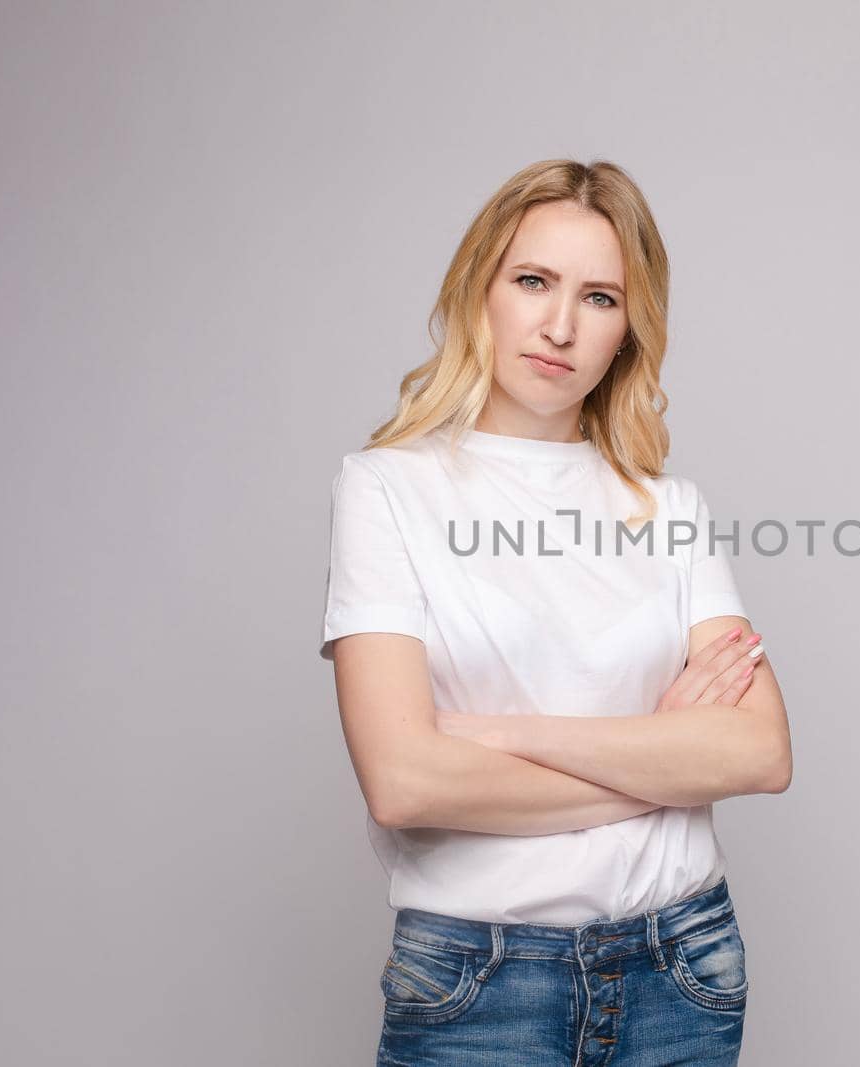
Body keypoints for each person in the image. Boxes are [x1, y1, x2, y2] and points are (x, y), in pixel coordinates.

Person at [317, 158, 793, 1066]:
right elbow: (407, 783)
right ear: (479, 290)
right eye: (533, 280)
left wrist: (498, 737)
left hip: (683, 966)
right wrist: (662, 756)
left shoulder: (670, 507)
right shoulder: (386, 490)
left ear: (630, 328)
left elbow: (760, 753)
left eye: (601, 297)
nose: (560, 325)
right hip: (479, 981)